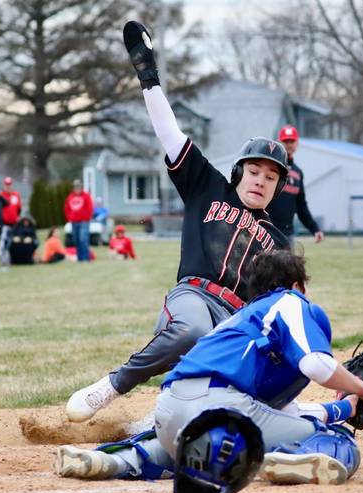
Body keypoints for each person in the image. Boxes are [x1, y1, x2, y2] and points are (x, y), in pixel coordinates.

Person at [64, 21, 290, 423]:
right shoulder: (207, 186)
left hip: (236, 320)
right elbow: (170, 132)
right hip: (194, 298)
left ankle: (159, 422)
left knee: (258, 385)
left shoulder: (278, 242)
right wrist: (148, 77)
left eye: (271, 177)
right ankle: (114, 384)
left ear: (278, 187)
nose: (261, 180)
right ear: (239, 172)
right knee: (192, 333)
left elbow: (281, 311)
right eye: (254, 171)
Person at [54, 250, 363, 493]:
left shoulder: (241, 321)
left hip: (172, 409)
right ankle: (289, 458)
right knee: (339, 440)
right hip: (224, 405)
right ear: (298, 286)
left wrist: (344, 406)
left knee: (198, 450)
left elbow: (285, 415)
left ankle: (112, 460)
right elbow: (317, 364)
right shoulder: (289, 302)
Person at [266, 125, 324, 245]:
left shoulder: (298, 173)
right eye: (285, 141)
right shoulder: (269, 167)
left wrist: (314, 229)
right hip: (265, 230)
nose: (289, 144)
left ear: (297, 143)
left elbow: (301, 205)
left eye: (292, 141)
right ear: (278, 142)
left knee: (288, 264)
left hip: (287, 235)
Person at [64, 179, 94, 262]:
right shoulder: (70, 197)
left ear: (81, 187)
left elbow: (90, 208)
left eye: (79, 186)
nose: (77, 188)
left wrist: (87, 218)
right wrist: (70, 218)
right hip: (74, 222)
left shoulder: (86, 196)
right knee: (76, 239)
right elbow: (67, 209)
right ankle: (80, 258)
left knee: (83, 239)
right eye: (76, 187)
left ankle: (85, 258)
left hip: (84, 221)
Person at [0, 177, 22, 265]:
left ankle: (13, 260)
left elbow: (19, 208)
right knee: (4, 242)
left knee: (13, 242)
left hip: (14, 223)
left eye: (9, 185)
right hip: (4, 224)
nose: (8, 187)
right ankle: (3, 260)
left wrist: (17, 217)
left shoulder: (16, 195)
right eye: (6, 185)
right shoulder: (1, 196)